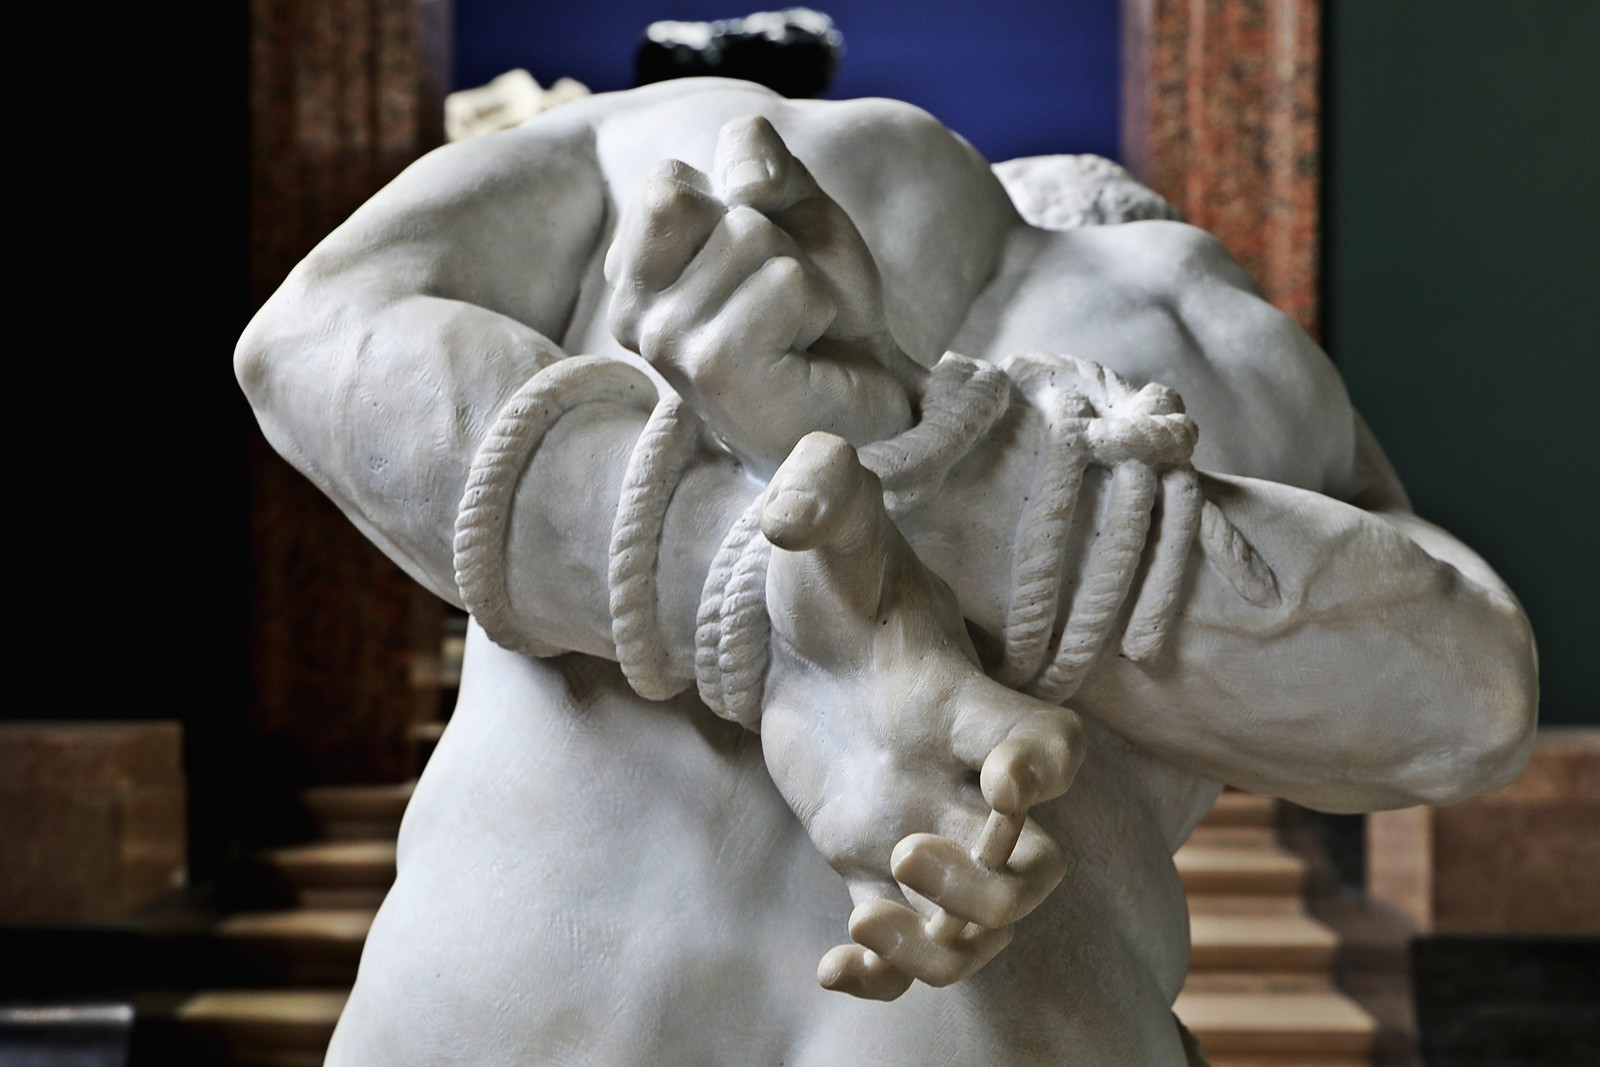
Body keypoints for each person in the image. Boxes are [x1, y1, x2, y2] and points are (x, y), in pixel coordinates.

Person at [236, 78, 1537, 1066]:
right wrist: (940, 511)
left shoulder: (691, 136)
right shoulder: (1235, 340)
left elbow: (311, 338)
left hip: (509, 1008)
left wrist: (791, 553)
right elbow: (1471, 705)